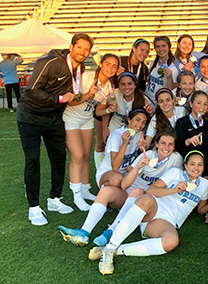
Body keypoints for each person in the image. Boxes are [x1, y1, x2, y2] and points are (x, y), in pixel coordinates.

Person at [58, 129, 183, 247]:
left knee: (137, 191)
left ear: (174, 147)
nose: (166, 148)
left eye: (170, 144)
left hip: (146, 203)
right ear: (156, 143)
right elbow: (124, 185)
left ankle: (111, 232)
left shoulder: (176, 159)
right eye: (163, 143)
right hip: (128, 195)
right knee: (106, 191)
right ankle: (84, 232)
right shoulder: (147, 155)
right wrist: (138, 167)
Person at [17, 33, 94, 225]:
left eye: (87, 49)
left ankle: (54, 199)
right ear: (71, 46)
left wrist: (85, 96)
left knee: (59, 158)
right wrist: (60, 99)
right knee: (33, 160)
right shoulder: (50, 61)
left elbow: (71, 95)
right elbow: (31, 90)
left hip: (54, 118)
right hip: (30, 116)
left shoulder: (80, 67)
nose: (83, 52)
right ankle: (34, 207)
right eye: (80, 47)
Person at [94, 151, 208, 275]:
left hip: (167, 220)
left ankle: (115, 250)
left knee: (171, 241)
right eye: (192, 164)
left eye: (200, 165)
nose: (196, 168)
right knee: (146, 199)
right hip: (155, 206)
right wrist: (173, 190)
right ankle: (110, 247)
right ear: (185, 166)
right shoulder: (176, 173)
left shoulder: (204, 184)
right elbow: (151, 190)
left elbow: (201, 209)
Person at [63, 53, 119, 211]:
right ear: (101, 64)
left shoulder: (109, 87)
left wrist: (109, 107)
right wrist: (88, 94)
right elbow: (72, 101)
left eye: (114, 66)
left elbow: (98, 111)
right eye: (108, 64)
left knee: (86, 156)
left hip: (87, 120)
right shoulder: (86, 77)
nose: (111, 68)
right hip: (71, 118)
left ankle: (86, 189)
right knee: (78, 156)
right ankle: (77, 195)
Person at [95, 108, 148, 188]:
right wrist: (124, 144)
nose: (140, 125)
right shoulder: (116, 136)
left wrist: (142, 148)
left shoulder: (139, 134)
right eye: (137, 120)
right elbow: (115, 168)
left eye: (143, 122)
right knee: (118, 179)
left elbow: (137, 156)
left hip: (125, 173)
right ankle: (105, 194)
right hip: (109, 174)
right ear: (129, 120)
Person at [174, 90, 208, 178]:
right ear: (191, 104)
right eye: (199, 103)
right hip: (187, 168)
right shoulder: (182, 122)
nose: (202, 107)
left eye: (205, 104)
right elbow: (177, 146)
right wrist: (188, 141)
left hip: (207, 169)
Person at [145, 36, 177, 102]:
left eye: (163, 46)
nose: (161, 49)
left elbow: (171, 91)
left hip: (159, 103)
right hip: (147, 100)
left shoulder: (173, 68)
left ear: (169, 47)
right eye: (157, 47)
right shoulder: (153, 63)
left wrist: (169, 78)